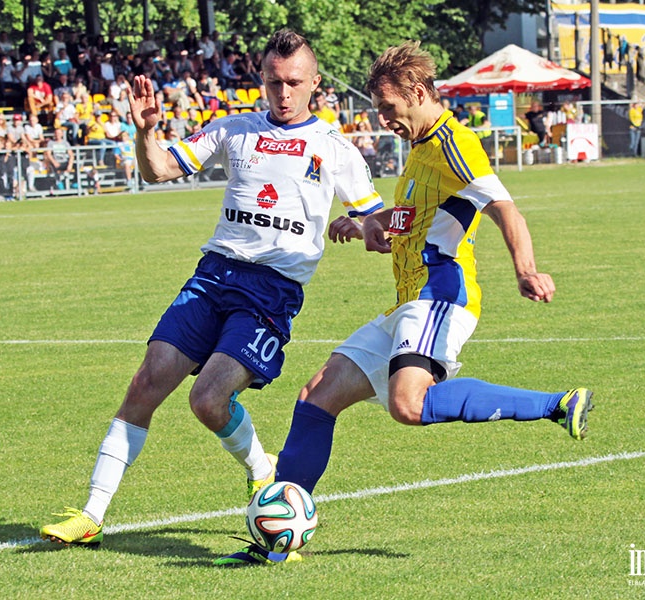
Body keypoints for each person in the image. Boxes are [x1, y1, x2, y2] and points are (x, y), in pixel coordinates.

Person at [216, 40, 593, 567]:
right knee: (316, 397)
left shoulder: (455, 143)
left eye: (389, 108)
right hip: (408, 301)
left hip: (442, 295)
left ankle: (556, 404)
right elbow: (415, 218)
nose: (384, 119)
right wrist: (368, 222)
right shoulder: (419, 148)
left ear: (417, 93)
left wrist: (526, 269)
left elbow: (506, 209)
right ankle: (277, 541)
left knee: (408, 404)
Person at [38, 29, 384, 547]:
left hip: (271, 291)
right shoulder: (233, 130)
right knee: (145, 383)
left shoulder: (335, 150)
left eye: (293, 83)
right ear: (261, 80)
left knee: (207, 400)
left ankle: (260, 467)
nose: (282, 93)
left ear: (315, 84)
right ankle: (91, 514)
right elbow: (157, 170)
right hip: (213, 275)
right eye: (273, 82)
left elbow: (379, 226)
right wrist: (144, 131)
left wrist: (360, 227)